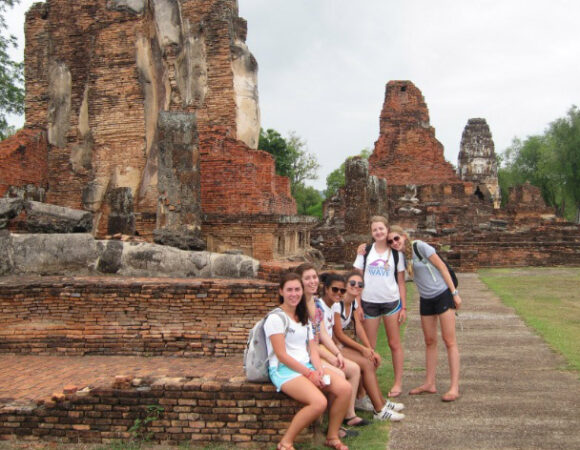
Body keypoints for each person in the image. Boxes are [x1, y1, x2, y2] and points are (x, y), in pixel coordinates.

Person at [265, 272, 351, 450]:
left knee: (344, 388)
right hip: (284, 370)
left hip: (307, 365)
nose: (294, 294)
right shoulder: (275, 318)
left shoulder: (303, 317)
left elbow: (312, 349)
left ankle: (332, 436)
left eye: (297, 289)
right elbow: (281, 355)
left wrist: (318, 369)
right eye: (289, 290)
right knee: (319, 403)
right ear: (281, 292)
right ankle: (285, 442)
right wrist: (309, 374)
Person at [387, 225, 461, 402]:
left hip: (442, 295)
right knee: (429, 341)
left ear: (404, 236)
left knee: (449, 340)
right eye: (390, 241)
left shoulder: (419, 246)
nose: (394, 243)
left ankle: (454, 386)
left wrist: (455, 294)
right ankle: (429, 383)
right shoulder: (400, 257)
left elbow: (442, 267)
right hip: (426, 298)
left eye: (397, 239)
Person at [295, 264, 367, 432]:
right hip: (306, 354)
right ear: (300, 281)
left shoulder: (315, 304)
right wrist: (330, 357)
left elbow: (323, 334)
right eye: (308, 278)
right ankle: (333, 425)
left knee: (354, 368)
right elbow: (308, 343)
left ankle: (348, 415)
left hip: (318, 348)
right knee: (339, 374)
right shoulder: (299, 307)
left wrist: (336, 353)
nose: (312, 281)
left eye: (314, 277)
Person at [333, 272, 405, 421]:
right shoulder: (337, 304)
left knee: (371, 359)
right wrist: (362, 349)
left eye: (360, 285)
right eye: (352, 283)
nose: (356, 287)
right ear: (345, 285)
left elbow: (359, 327)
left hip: (339, 346)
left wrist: (369, 349)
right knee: (366, 362)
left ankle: (377, 401)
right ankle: (379, 410)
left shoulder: (353, 302)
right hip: (332, 348)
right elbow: (339, 334)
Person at [354, 215, 407, 398]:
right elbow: (358, 280)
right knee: (369, 347)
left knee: (394, 344)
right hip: (369, 302)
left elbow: (401, 281)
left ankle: (398, 382)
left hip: (391, 302)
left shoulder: (395, 253)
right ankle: (365, 388)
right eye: (375, 229)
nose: (378, 232)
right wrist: (358, 305)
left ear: (387, 230)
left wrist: (404, 307)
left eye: (381, 229)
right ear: (371, 232)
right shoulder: (365, 252)